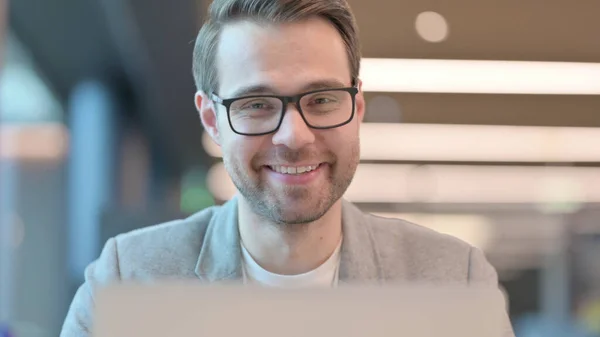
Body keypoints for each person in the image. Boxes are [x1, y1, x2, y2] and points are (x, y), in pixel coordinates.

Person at [61, 0, 515, 336]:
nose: (293, 137)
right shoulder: (129, 280)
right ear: (211, 120)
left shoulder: (453, 280)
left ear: (357, 107)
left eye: (321, 100)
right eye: (257, 104)